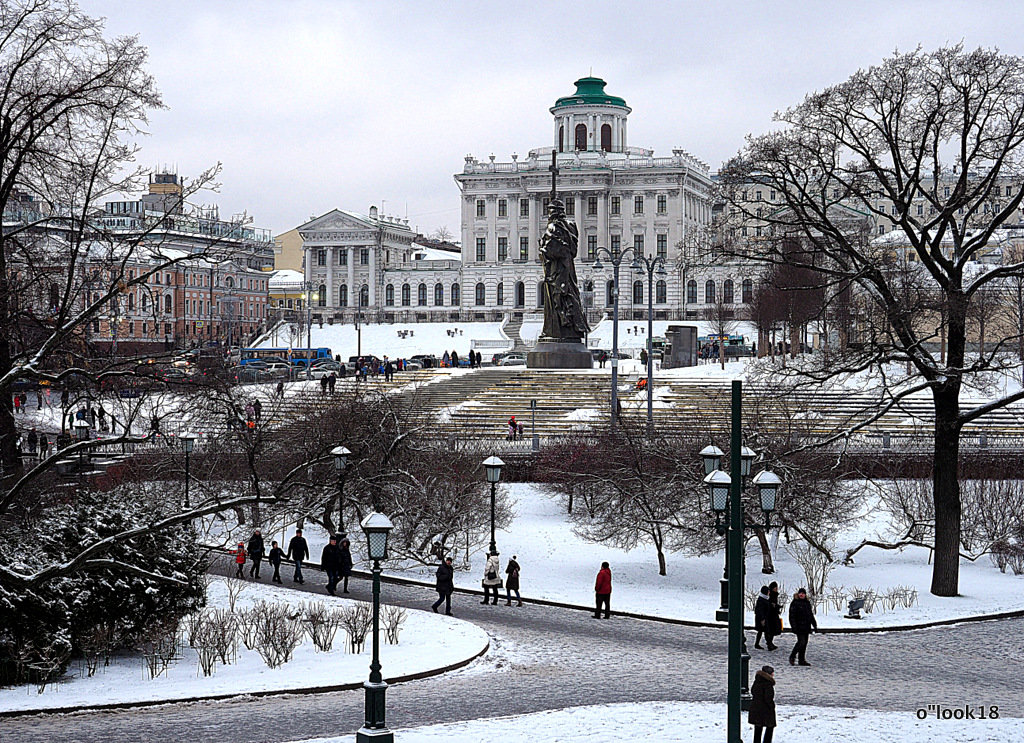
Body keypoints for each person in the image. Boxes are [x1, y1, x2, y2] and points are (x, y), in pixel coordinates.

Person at [788, 587, 817, 666]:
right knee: (801, 642)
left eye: (803, 593)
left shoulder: (807, 603)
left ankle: (802, 660)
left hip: (806, 626)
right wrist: (793, 626)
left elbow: (810, 615)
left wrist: (814, 624)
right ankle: (792, 656)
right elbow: (792, 616)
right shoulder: (795, 603)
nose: (801, 595)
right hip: (798, 626)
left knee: (804, 643)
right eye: (800, 593)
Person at [749, 665, 777, 743]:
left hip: (756, 708)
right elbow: (768, 698)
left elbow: (753, 691)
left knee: (758, 728)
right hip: (765, 710)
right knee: (770, 727)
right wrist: (772, 706)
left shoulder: (757, 681)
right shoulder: (768, 684)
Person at [754, 585, 779, 650]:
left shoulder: (764, 599)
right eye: (768, 591)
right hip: (762, 618)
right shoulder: (762, 600)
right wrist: (762, 619)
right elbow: (760, 610)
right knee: (765, 631)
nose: (769, 592)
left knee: (761, 631)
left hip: (763, 618)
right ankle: (769, 645)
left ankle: (758, 644)